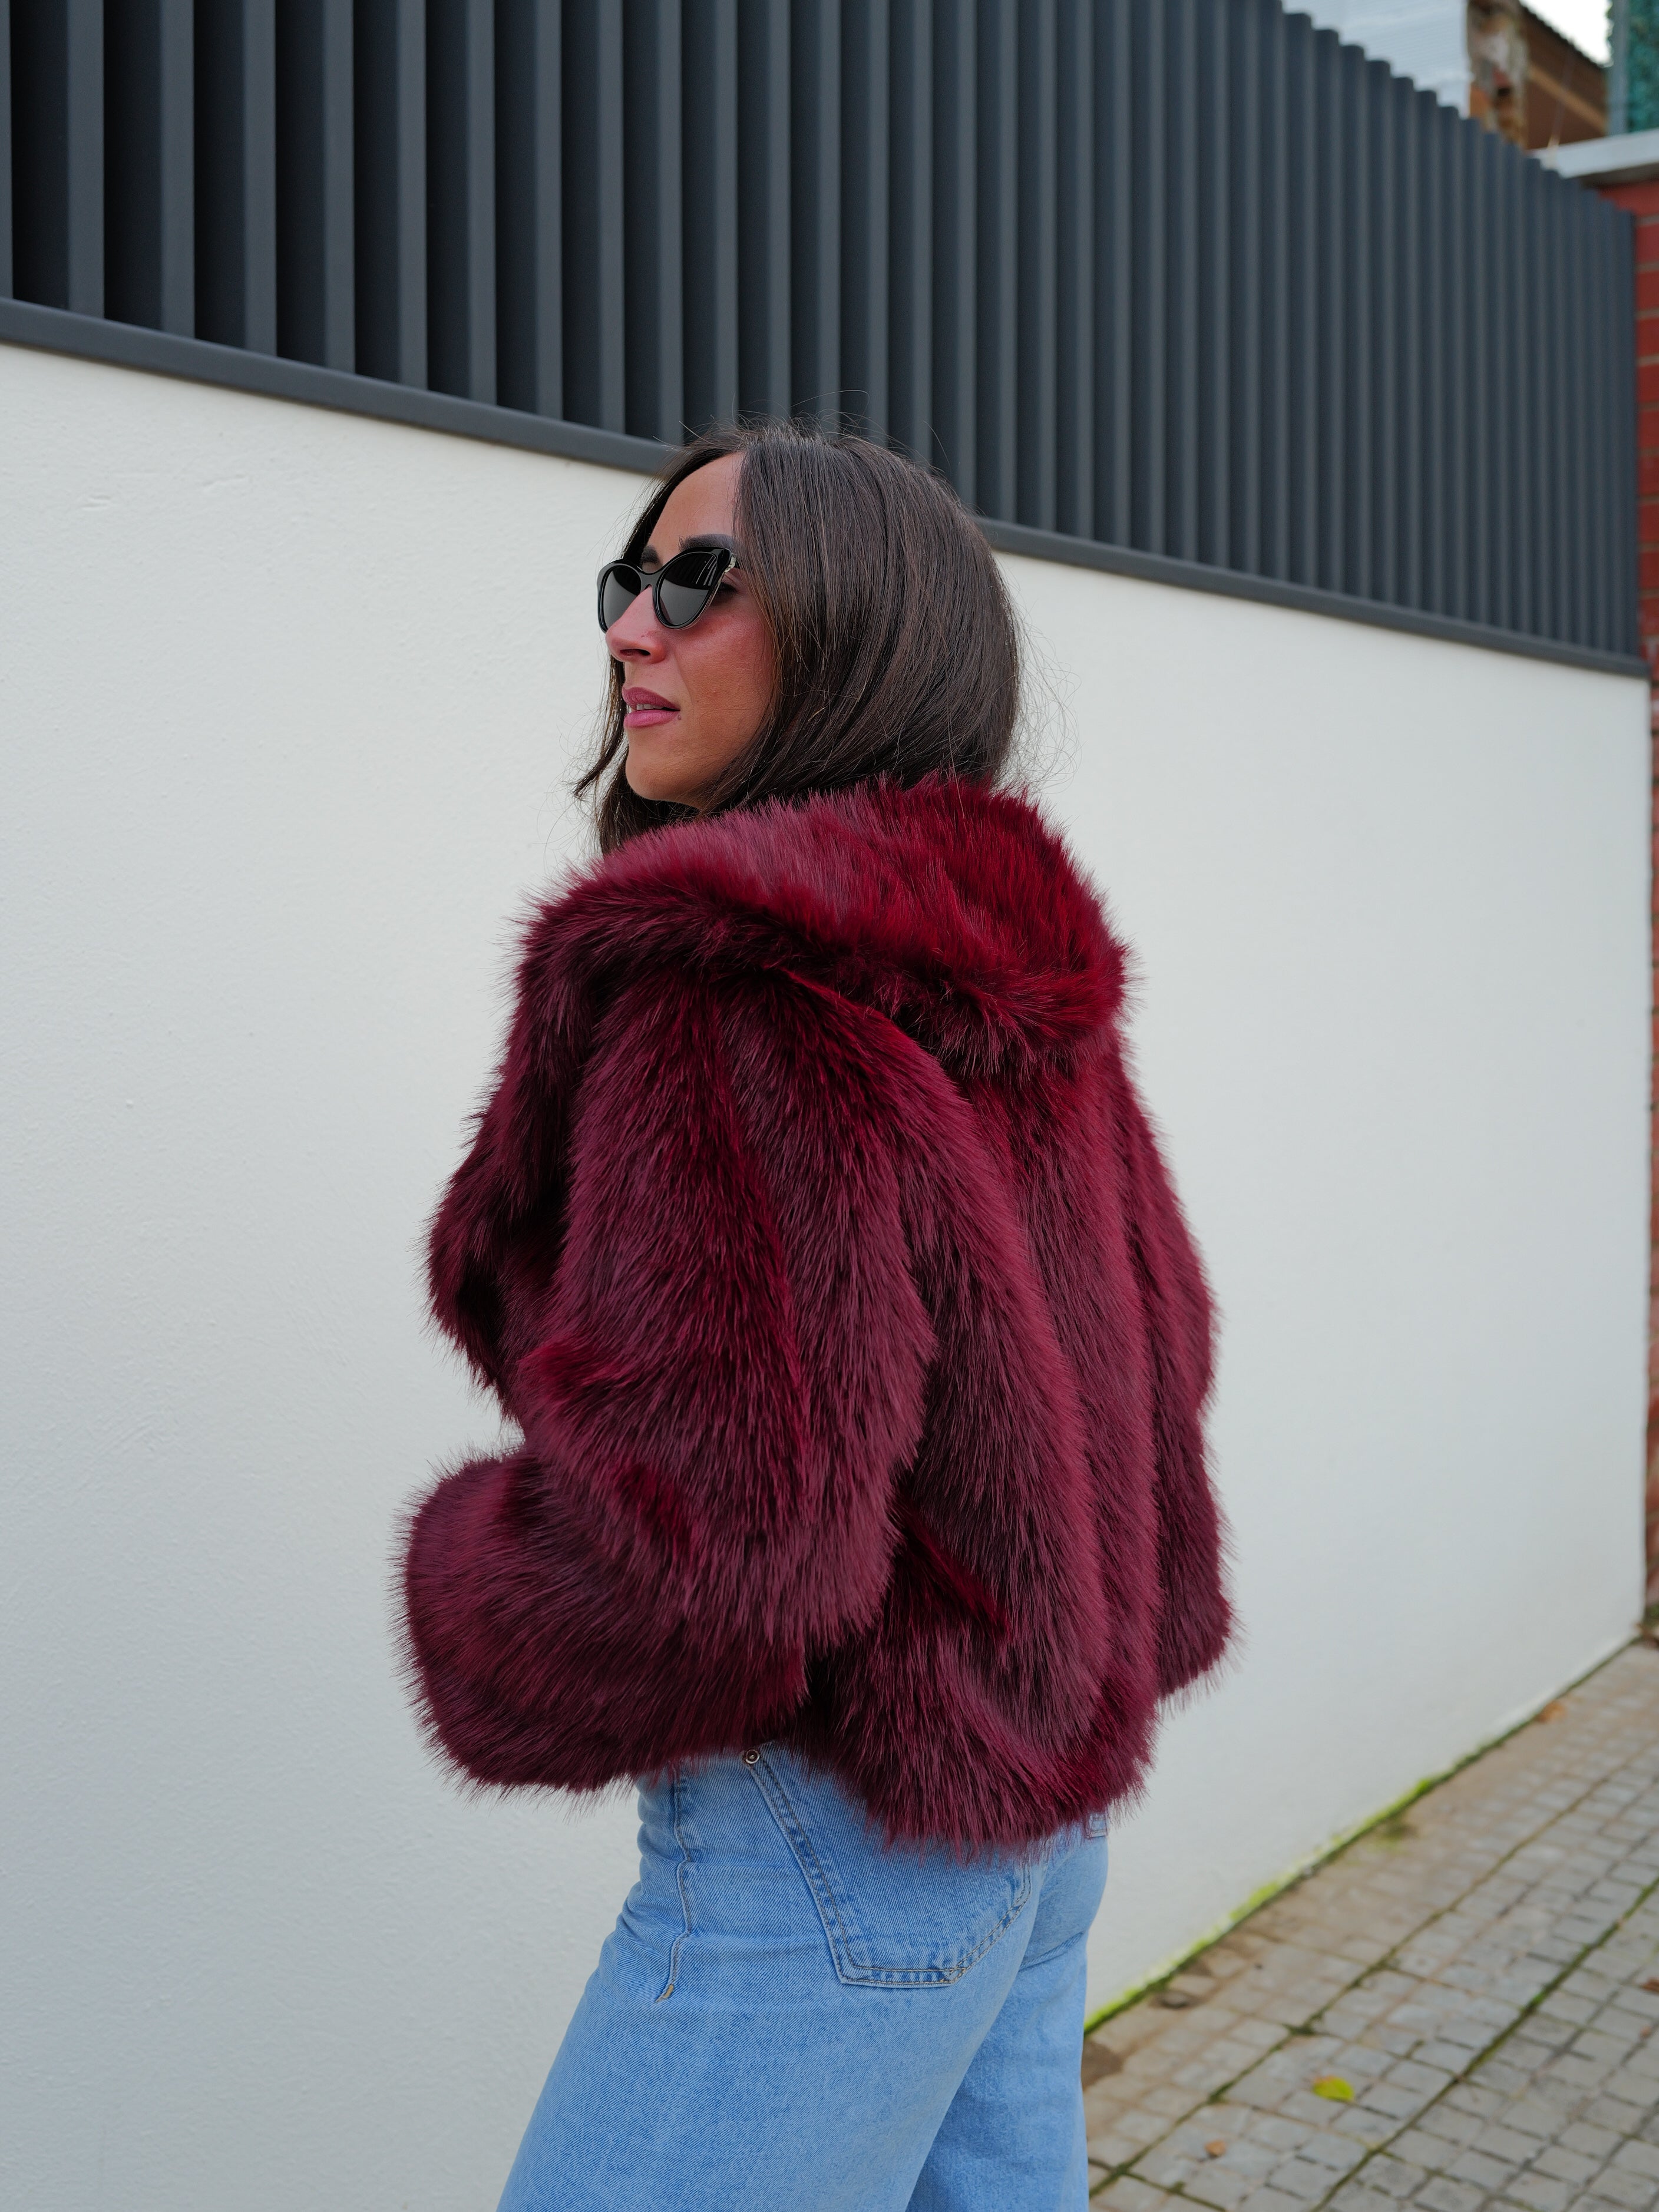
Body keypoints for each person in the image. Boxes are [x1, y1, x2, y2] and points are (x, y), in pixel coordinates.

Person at [399, 421, 1232, 2211]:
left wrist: (475, 1581)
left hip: (832, 1833)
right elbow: (1154, 1356)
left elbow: (716, 1550)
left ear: (863, 623)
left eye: (699, 582)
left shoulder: (732, 983)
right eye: (630, 580)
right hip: (1026, 1813)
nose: (632, 627)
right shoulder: (993, 947)